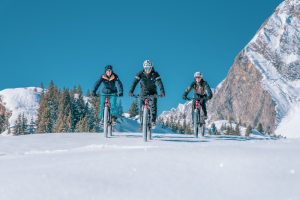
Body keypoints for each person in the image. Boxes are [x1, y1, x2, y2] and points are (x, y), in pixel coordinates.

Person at [129, 60, 165, 127]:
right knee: (141, 106)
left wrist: (162, 92)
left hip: (153, 92)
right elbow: (134, 82)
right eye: (146, 68)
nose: (147, 70)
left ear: (151, 67)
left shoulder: (155, 74)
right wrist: (131, 91)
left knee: (153, 105)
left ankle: (153, 121)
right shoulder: (140, 73)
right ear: (144, 68)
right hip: (143, 92)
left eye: (149, 68)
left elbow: (159, 83)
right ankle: (142, 122)